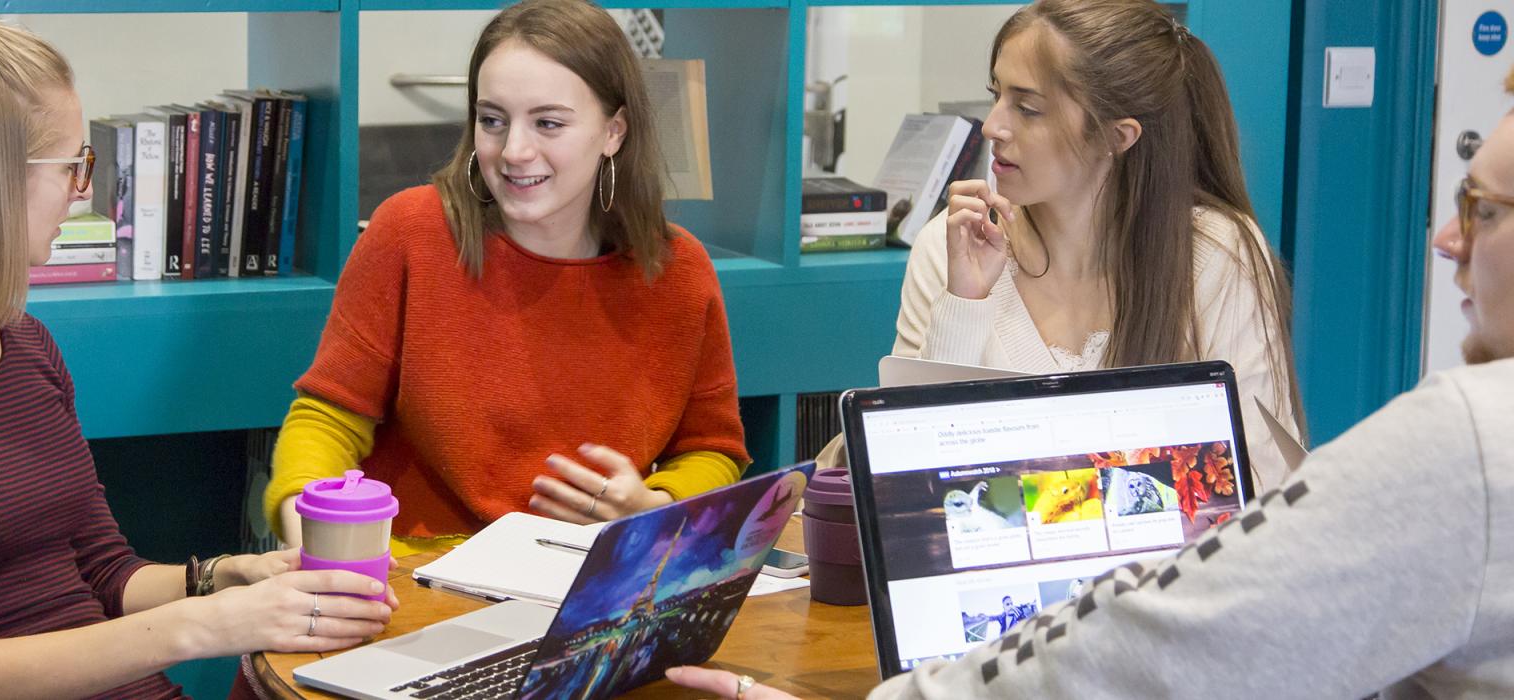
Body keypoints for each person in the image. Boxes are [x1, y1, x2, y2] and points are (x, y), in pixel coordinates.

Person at [667, 57, 1514, 700]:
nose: (1445, 237)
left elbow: (1216, 614)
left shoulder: (1470, 440)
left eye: (1481, 206)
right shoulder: (957, 243)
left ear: (1118, 137)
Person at [0, 7, 396, 698]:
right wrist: (208, 625)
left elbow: (105, 573)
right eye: (75, 164)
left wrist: (222, 577)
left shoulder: (24, 345)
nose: (86, 191)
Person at [264, 0, 749, 555]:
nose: (514, 151)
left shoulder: (679, 271)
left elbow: (713, 450)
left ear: (614, 131)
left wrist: (654, 511)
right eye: (492, 120)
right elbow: (327, 419)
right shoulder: (410, 231)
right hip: (415, 579)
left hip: (590, 579)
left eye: (548, 123)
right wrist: (322, 540)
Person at [818, 0, 1303, 492]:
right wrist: (964, 304)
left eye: (1027, 108)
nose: (992, 127)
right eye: (997, 95)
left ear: (1118, 136)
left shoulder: (1216, 252)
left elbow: (1260, 481)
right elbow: (909, 481)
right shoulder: (954, 242)